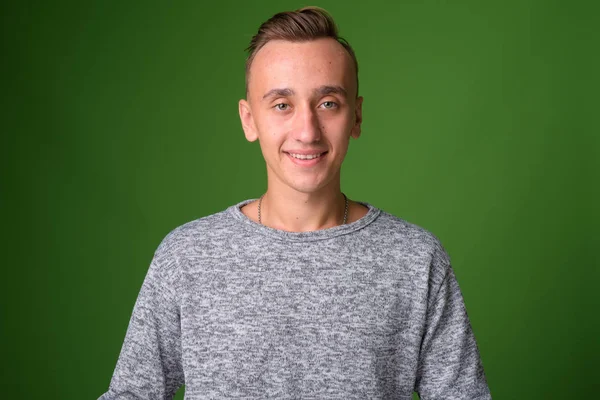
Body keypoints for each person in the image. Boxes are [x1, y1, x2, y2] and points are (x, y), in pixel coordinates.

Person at [99, 6, 491, 400]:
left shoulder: (416, 259)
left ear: (356, 116)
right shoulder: (186, 257)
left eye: (328, 103)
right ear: (249, 119)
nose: (306, 131)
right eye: (282, 105)